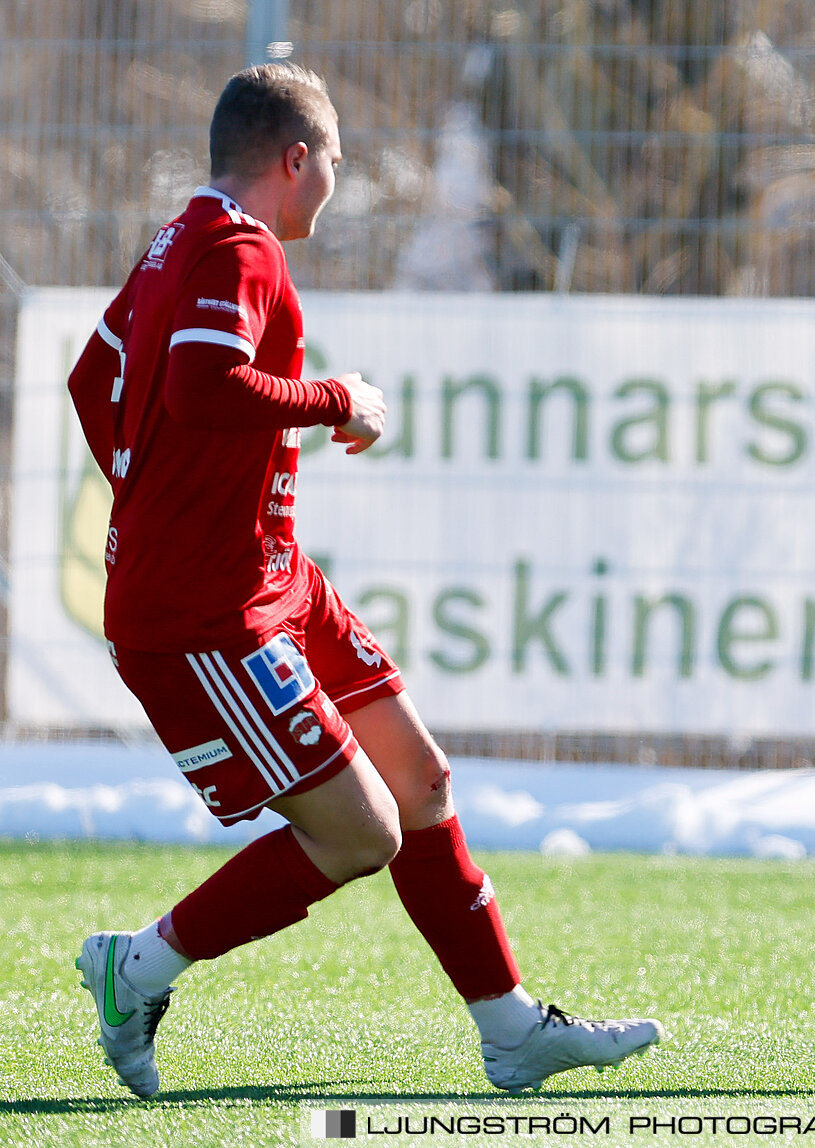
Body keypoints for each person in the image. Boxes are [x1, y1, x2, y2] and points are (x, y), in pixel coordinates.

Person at [65, 62, 663, 1097]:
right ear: (297, 160)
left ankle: (510, 1028)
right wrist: (335, 396)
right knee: (361, 830)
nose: (337, 180)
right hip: (206, 613)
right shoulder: (237, 247)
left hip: (272, 579)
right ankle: (138, 965)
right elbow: (204, 386)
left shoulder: (177, 241)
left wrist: (145, 484)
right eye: (335, 160)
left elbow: (92, 374)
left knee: (421, 780)